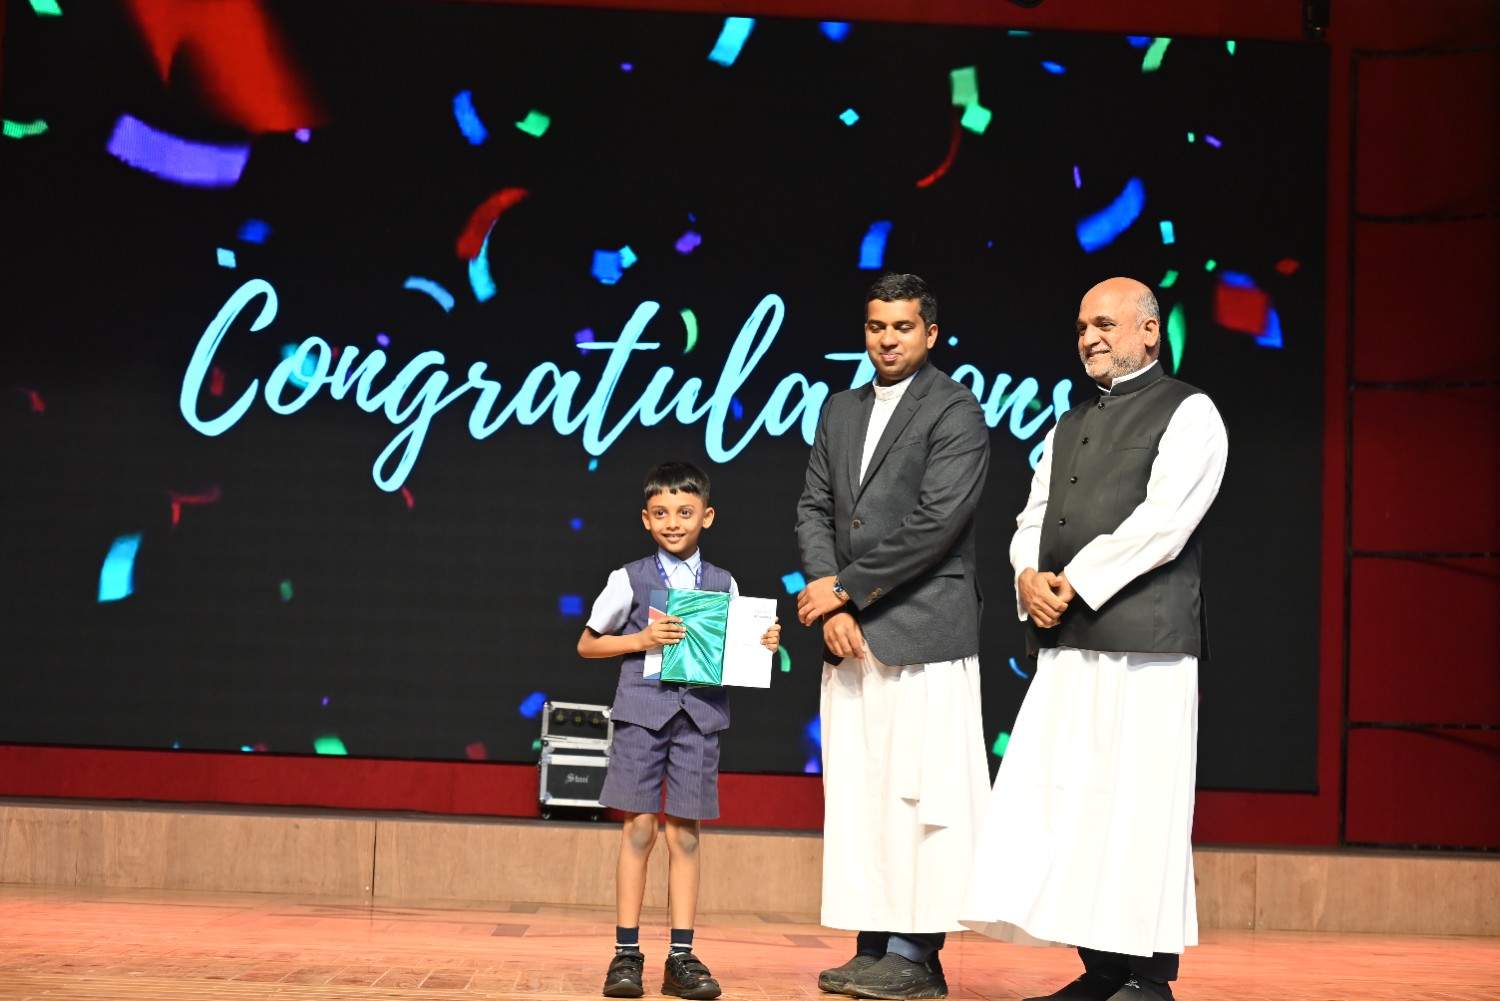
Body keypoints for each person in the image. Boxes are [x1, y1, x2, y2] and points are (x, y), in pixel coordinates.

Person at [961, 277, 1229, 1001]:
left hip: (1147, 648)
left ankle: (1147, 976)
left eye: (1105, 324)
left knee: (1141, 807)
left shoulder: (1190, 411)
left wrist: (1072, 581)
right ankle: (1102, 968)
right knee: (1073, 806)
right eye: (1082, 327)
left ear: (1149, 330)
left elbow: (1165, 522)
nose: (1089, 338)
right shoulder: (1069, 422)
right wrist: (1027, 576)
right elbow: (1033, 516)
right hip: (1070, 640)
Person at [794, 273, 991, 1001]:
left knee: (922, 800)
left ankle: (918, 954)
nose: (887, 338)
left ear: (930, 333)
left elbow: (936, 524)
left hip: (925, 633)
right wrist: (833, 604)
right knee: (861, 797)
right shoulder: (840, 408)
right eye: (877, 326)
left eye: (903, 326)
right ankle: (873, 942)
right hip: (851, 636)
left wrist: (846, 588)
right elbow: (814, 509)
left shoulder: (955, 409)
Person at [578, 461, 781, 1001]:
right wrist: (640, 640)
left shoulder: (723, 583)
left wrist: (762, 643)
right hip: (642, 715)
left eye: (685, 512)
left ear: (706, 517)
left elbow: (736, 649)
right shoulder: (628, 578)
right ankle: (626, 954)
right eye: (662, 513)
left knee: (685, 834)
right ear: (646, 519)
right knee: (639, 829)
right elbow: (588, 643)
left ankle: (681, 958)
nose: (673, 522)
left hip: (699, 718)